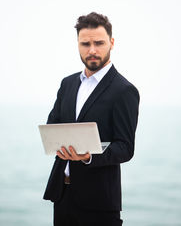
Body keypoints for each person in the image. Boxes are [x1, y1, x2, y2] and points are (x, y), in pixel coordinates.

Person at [43, 12, 140, 226]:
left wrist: (89, 156)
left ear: (111, 43)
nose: (92, 50)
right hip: (62, 195)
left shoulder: (124, 91)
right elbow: (53, 125)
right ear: (77, 44)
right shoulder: (67, 84)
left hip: (100, 203)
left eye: (99, 43)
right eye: (85, 44)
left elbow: (125, 148)